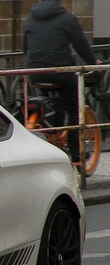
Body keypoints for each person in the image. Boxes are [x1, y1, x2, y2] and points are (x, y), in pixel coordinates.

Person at [22, 0, 100, 163]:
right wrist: (93, 62)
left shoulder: (30, 19)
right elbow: (82, 46)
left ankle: (48, 133)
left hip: (35, 73)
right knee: (74, 108)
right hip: (60, 73)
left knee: (44, 103)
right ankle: (76, 154)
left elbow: (25, 48)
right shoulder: (67, 19)